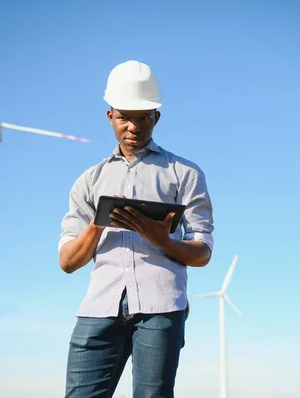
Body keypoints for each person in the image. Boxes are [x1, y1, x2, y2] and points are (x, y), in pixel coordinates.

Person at [58, 59, 215, 398]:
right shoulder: (89, 181)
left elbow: (203, 252)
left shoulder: (185, 173)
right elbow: (68, 262)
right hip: (98, 310)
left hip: (161, 309)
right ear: (110, 115)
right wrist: (99, 223)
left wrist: (162, 240)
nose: (134, 126)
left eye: (144, 117)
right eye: (125, 116)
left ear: (156, 117)